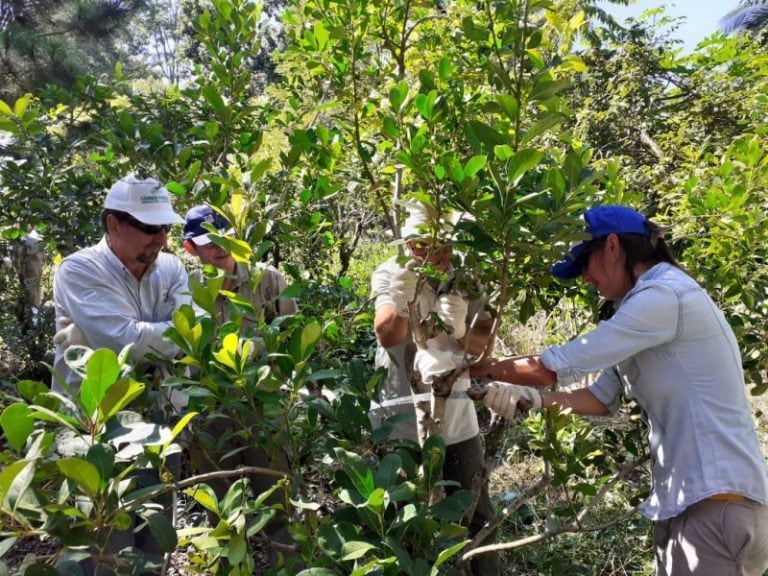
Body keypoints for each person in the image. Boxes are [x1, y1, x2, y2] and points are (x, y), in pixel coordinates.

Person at [474, 205, 768, 576]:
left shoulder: (663, 297)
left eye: (584, 263)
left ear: (613, 246)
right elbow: (600, 399)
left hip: (717, 506)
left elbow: (555, 366)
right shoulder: (640, 309)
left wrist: (473, 369)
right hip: (690, 504)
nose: (584, 278)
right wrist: (532, 399)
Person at [51, 174, 191, 571]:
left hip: (159, 422)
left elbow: (195, 329)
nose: (160, 238)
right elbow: (122, 341)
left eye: (165, 227)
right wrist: (173, 333)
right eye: (149, 227)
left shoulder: (172, 269)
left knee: (154, 532)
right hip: (95, 426)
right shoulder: (79, 270)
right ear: (113, 224)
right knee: (105, 543)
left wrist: (161, 335)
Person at [370, 202, 500, 576]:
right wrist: (401, 302)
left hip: (457, 411)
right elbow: (387, 334)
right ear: (410, 245)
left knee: (475, 512)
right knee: (406, 515)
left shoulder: (467, 278)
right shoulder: (390, 271)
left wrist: (461, 329)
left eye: (445, 248)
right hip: (402, 414)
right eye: (427, 247)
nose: (438, 257)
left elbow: (484, 344)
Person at [181, 204, 298, 565]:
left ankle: (288, 568)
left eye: (225, 238)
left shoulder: (268, 280)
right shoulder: (186, 289)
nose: (219, 248)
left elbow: (296, 340)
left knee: (278, 501)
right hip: (211, 412)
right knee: (220, 510)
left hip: (263, 409)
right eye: (208, 242)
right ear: (191, 249)